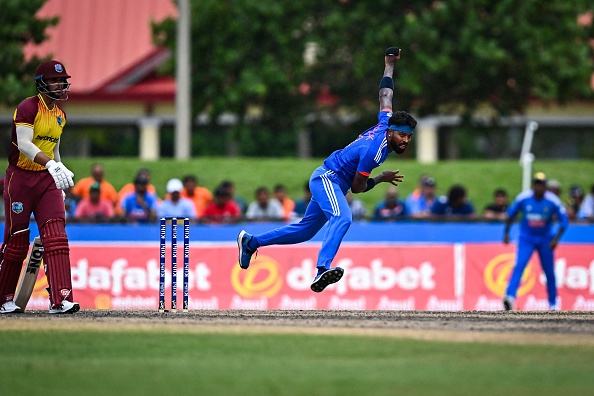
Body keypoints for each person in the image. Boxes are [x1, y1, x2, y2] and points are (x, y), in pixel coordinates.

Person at [237, 47, 416, 293]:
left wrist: (389, 65)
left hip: (329, 181)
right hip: (328, 179)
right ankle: (322, 269)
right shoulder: (375, 152)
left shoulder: (386, 121)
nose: (405, 140)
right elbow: (357, 187)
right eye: (401, 135)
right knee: (343, 217)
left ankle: (251, 243)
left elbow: (386, 94)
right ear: (390, 132)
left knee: (304, 231)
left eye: (408, 137)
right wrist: (380, 179)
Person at [0, 60, 79, 314]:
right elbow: (24, 144)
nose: (60, 84)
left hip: (46, 179)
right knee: (17, 240)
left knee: (56, 236)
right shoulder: (27, 107)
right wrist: (51, 166)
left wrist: (60, 169)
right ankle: (3, 298)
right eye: (55, 80)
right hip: (20, 178)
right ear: (42, 84)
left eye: (62, 80)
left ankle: (61, 299)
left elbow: (53, 149)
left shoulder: (60, 115)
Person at [502, 172, 569, 311]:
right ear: (533, 186)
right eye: (536, 184)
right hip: (527, 238)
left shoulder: (553, 201)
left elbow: (564, 222)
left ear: (545, 187)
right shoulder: (523, 198)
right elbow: (510, 215)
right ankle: (509, 297)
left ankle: (553, 303)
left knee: (549, 271)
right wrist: (506, 233)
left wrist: (556, 239)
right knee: (519, 266)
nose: (539, 187)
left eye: (541, 185)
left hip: (545, 239)